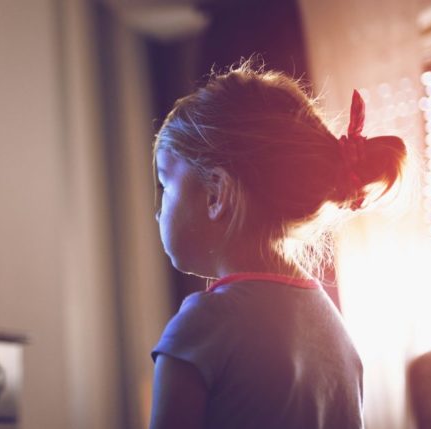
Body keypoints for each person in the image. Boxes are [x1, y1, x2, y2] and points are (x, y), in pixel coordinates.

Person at [149, 59, 407, 429]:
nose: (158, 213)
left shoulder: (201, 329)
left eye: (165, 185)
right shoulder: (336, 332)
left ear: (215, 195)